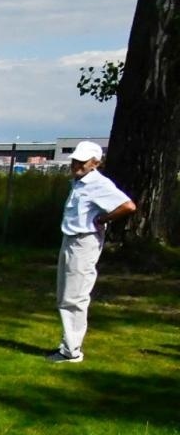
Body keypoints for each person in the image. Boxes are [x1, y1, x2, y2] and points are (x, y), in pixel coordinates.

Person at [49, 141, 137, 364]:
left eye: (83, 161)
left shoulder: (98, 183)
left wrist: (104, 219)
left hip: (84, 242)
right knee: (65, 295)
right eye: (76, 160)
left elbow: (128, 206)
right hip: (70, 239)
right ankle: (68, 345)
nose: (77, 164)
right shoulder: (79, 183)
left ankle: (71, 351)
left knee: (74, 297)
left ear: (96, 163)